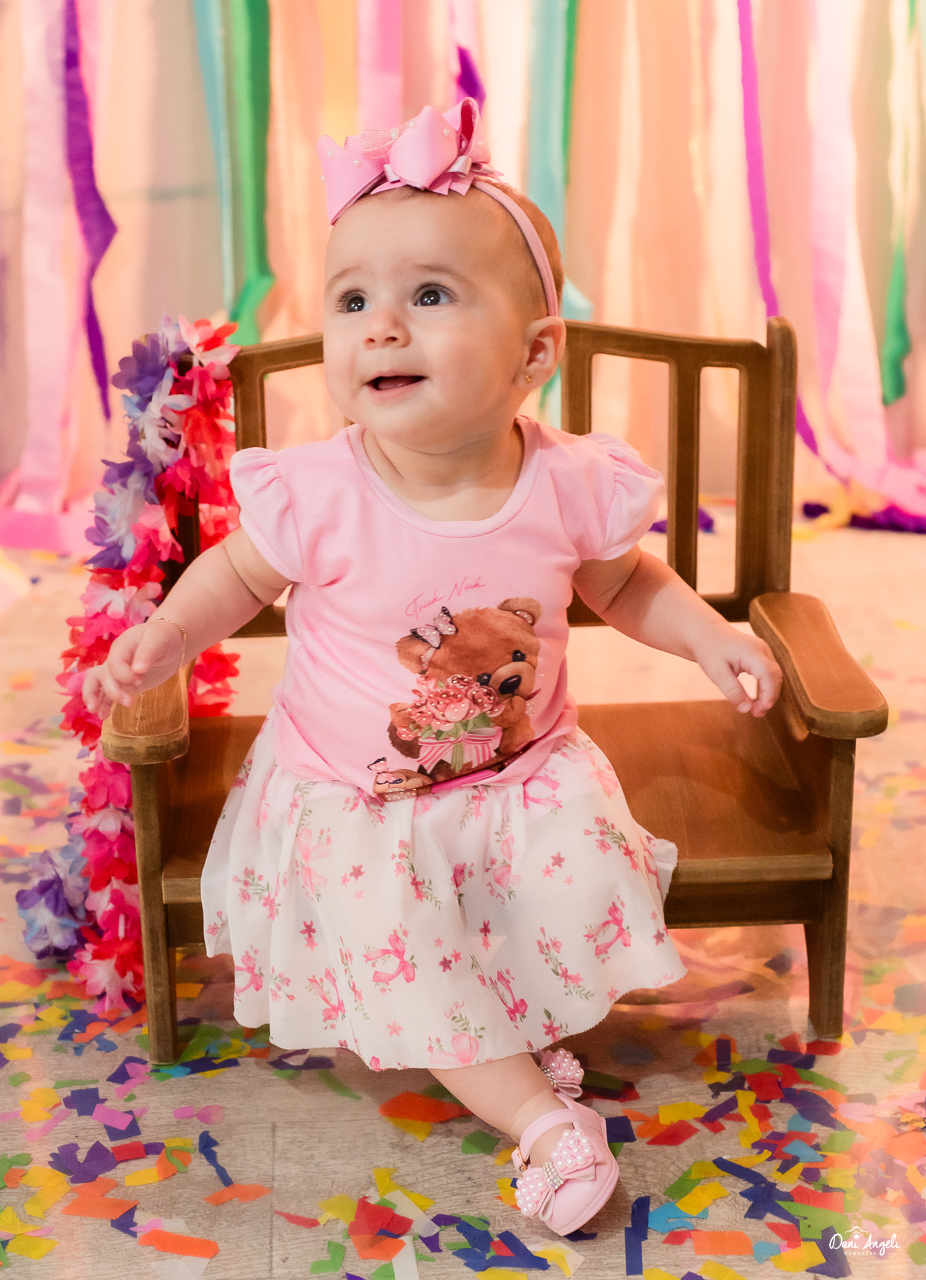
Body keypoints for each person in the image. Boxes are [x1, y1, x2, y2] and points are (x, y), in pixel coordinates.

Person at [83, 99, 781, 1237]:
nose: (381, 329)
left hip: (520, 778)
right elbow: (235, 576)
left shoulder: (564, 481)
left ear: (534, 354)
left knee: (564, 885)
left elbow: (626, 584)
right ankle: (541, 1121)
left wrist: (709, 635)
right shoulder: (319, 491)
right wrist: (165, 635)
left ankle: (513, 1029)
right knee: (400, 941)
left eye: (430, 296)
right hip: (357, 799)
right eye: (353, 299)